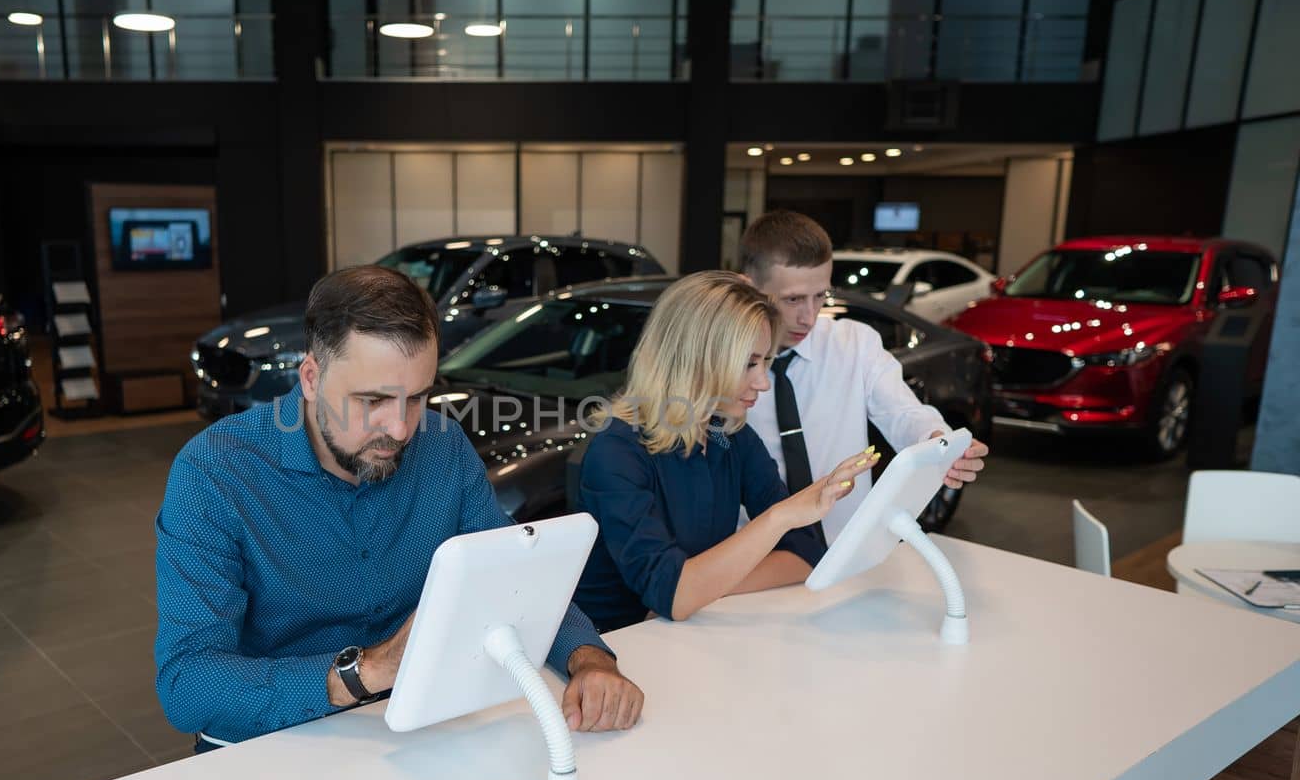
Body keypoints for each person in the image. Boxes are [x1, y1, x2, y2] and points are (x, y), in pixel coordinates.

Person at [155, 265, 644, 749]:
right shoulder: (215, 473)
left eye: (417, 398)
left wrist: (589, 660)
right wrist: (369, 671)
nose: (402, 429)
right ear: (310, 377)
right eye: (372, 401)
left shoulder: (444, 446)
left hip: (416, 730)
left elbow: (515, 582)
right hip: (271, 745)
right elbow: (188, 683)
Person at [572, 271, 878, 632]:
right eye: (749, 363)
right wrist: (780, 517)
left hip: (690, 638)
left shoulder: (729, 436)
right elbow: (672, 594)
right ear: (694, 358)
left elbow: (806, 554)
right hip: (615, 654)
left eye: (765, 362)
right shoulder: (616, 453)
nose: (763, 382)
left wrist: (705, 591)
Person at [738, 210, 989, 543]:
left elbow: (903, 413)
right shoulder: (718, 359)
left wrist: (938, 444)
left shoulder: (855, 343)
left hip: (843, 545)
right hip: (749, 550)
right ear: (748, 286)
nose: (809, 316)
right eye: (793, 299)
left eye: (820, 296)